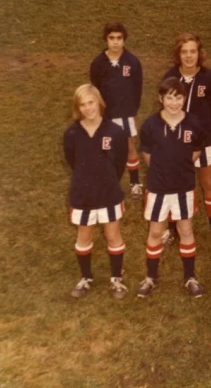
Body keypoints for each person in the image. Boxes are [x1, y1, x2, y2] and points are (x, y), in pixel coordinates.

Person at [137, 78, 205, 298]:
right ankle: (151, 276)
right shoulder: (150, 125)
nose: (174, 102)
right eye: (169, 98)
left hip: (184, 186)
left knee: (185, 230)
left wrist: (180, 167)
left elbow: (195, 152)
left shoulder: (194, 123)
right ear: (161, 99)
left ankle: (189, 277)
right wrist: (162, 170)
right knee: (156, 231)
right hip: (158, 187)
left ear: (184, 98)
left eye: (178, 97)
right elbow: (147, 155)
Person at [63, 85, 128, 299]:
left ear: (99, 102)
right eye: (83, 104)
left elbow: (119, 163)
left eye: (91, 102)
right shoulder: (72, 133)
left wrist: (108, 179)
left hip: (109, 192)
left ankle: (116, 279)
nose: (88, 108)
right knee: (84, 235)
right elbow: (72, 161)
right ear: (78, 108)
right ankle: (86, 277)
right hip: (83, 194)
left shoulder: (115, 131)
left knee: (113, 234)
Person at [161, 33, 211, 249]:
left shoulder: (210, 78)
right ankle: (172, 227)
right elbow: (163, 112)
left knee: (209, 184)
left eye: (192, 51)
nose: (188, 56)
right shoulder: (170, 78)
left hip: (203, 143)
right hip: (177, 144)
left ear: (199, 53)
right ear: (178, 55)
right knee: (175, 184)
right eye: (184, 52)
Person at [89, 22, 143, 198]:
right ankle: (109, 184)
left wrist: (133, 111)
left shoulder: (132, 62)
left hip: (125, 113)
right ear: (106, 39)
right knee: (106, 149)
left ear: (124, 39)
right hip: (106, 115)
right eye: (111, 38)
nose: (115, 42)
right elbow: (95, 88)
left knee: (129, 147)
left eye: (119, 38)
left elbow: (137, 88)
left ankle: (135, 183)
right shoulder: (98, 63)